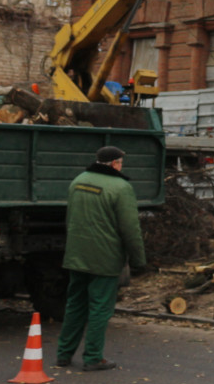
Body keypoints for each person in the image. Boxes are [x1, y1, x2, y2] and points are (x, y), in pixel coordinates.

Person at [56, 145, 146, 372]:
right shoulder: (121, 187)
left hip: (77, 255)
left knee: (75, 304)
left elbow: (70, 219)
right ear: (115, 163)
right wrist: (138, 260)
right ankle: (93, 357)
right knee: (99, 308)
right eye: (121, 162)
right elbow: (130, 229)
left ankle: (64, 354)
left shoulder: (78, 181)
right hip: (104, 258)